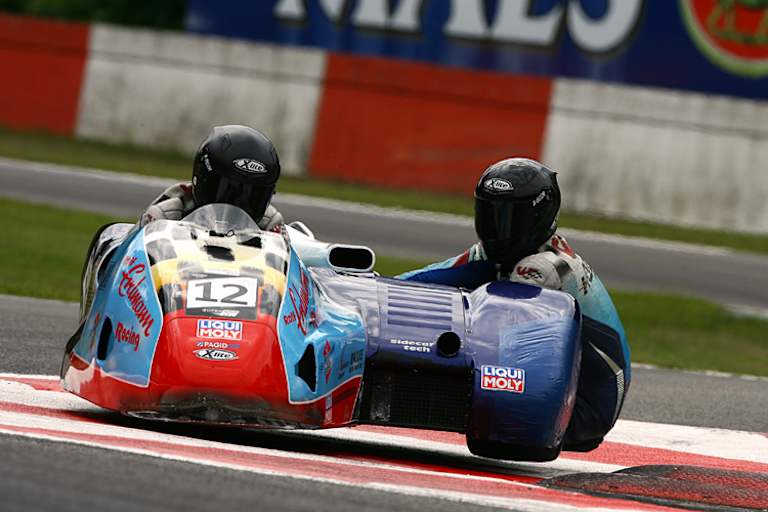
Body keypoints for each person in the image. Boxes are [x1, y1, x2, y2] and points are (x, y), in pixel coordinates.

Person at [397, 157, 630, 452]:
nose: (496, 229)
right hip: (560, 387)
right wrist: (379, 285)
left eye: (508, 218)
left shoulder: (544, 268)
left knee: (447, 352)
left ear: (536, 218)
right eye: (490, 214)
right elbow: (437, 276)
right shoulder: (507, 253)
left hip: (586, 404)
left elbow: (494, 332)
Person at [140, 125, 283, 230]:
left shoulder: (270, 223)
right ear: (202, 180)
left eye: (253, 196)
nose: (238, 203)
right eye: (228, 191)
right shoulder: (166, 215)